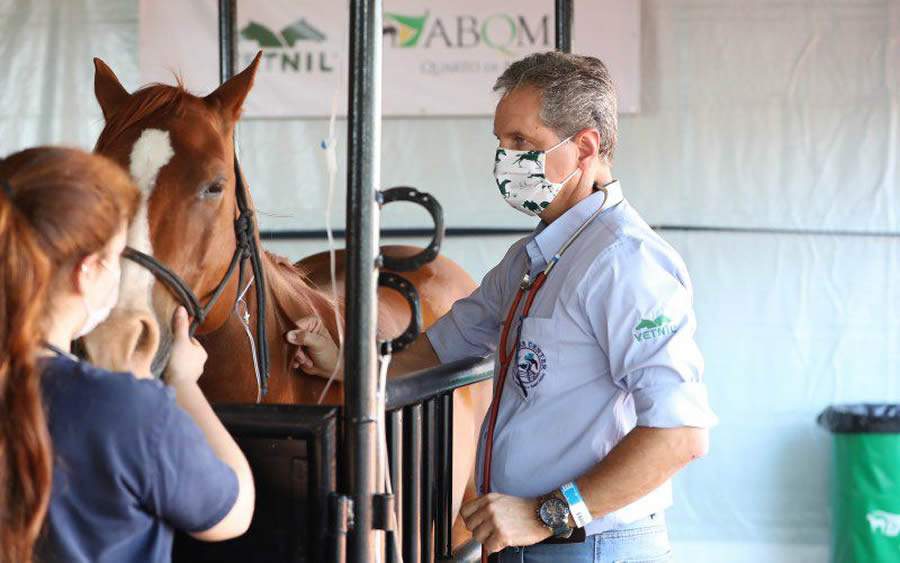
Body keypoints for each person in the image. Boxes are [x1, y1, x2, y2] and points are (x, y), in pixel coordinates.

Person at [289, 51, 719, 562]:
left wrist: (546, 513)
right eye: (501, 142)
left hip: (589, 545)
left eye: (522, 143)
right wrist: (343, 362)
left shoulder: (625, 261)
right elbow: (439, 350)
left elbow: (679, 434)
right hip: (524, 542)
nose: (505, 160)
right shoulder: (530, 257)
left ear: (584, 147)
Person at [0, 147, 255, 563]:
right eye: (117, 257)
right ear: (87, 272)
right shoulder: (128, 409)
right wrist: (182, 385)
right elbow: (232, 512)